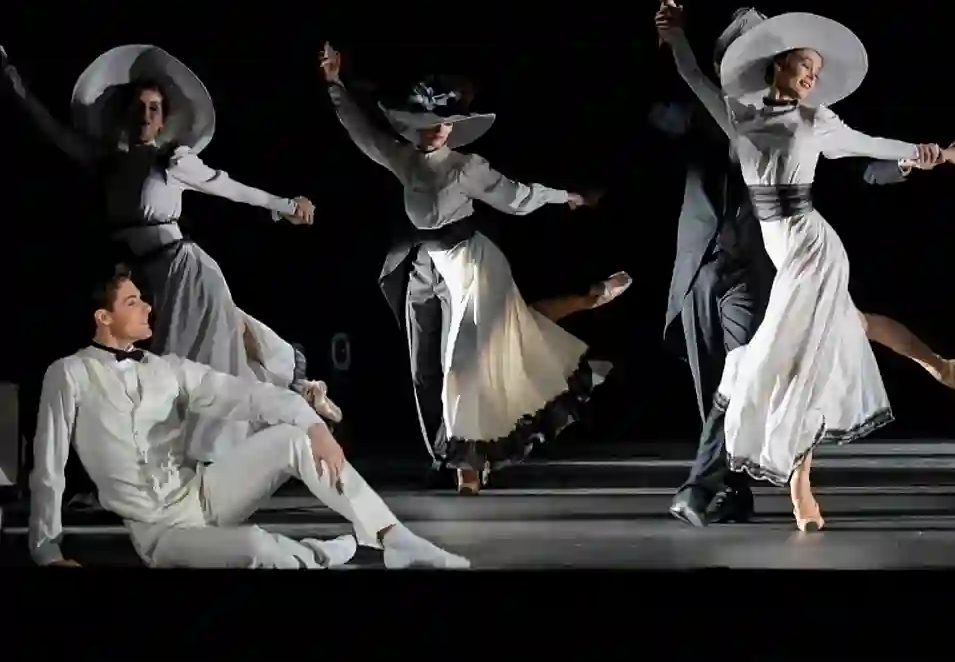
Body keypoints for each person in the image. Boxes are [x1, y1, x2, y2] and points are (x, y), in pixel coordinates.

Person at [653, 0, 955, 528]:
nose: (811, 75)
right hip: (782, 250)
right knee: (849, 325)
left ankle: (798, 486)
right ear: (778, 65)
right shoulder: (738, 117)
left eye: (817, 70)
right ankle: (937, 364)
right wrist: (673, 25)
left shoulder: (815, 120)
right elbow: (691, 76)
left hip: (812, 245)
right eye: (805, 64)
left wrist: (926, 154)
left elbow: (868, 142)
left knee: (793, 354)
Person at [319, 44, 630, 493]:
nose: (435, 131)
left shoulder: (466, 167)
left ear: (454, 126)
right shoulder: (403, 159)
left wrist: (566, 196)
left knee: (460, 365)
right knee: (424, 370)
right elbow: (361, 132)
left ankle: (468, 460)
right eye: (428, 123)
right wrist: (335, 84)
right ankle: (443, 456)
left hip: (468, 266)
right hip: (422, 265)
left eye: (444, 123)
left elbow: (518, 197)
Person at [30, 266, 470, 570]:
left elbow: (247, 395)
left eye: (142, 299)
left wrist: (315, 426)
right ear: (103, 317)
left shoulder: (167, 368)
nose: (146, 307)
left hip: (204, 494)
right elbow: (49, 468)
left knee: (294, 438)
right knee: (256, 546)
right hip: (159, 532)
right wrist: (47, 553)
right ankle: (316, 556)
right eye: (132, 302)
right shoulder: (69, 373)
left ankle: (393, 537)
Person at [1, 42, 317, 458]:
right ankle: (299, 397)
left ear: (164, 119)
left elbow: (229, 187)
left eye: (154, 108)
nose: (145, 115)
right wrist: (18, 89)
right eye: (139, 107)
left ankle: (204, 453)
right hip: (145, 280)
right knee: (187, 362)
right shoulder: (109, 162)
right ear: (124, 114)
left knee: (184, 368)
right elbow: (57, 134)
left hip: (186, 274)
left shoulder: (172, 160)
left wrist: (287, 206)